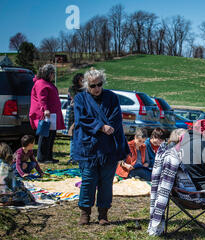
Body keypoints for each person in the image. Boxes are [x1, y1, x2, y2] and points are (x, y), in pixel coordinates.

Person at [72, 68, 130, 226]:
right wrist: (100, 126)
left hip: (108, 147)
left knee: (106, 181)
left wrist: (108, 126)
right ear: (86, 85)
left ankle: (103, 213)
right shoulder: (80, 99)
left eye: (99, 84)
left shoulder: (111, 97)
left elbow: (116, 117)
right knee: (89, 180)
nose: (96, 88)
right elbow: (81, 119)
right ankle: (85, 212)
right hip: (88, 147)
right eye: (92, 86)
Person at [29, 64, 65, 164]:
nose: (53, 75)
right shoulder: (41, 83)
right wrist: (45, 109)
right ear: (48, 73)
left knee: (51, 135)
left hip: (52, 114)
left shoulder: (47, 83)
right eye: (53, 73)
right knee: (45, 136)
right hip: (45, 114)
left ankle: (48, 156)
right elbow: (42, 98)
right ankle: (42, 157)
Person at [66, 73, 85, 165]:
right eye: (82, 80)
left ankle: (79, 155)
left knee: (81, 135)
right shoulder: (72, 88)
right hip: (74, 113)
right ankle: (73, 156)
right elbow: (76, 98)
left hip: (83, 113)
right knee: (73, 135)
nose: (83, 81)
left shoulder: (86, 89)